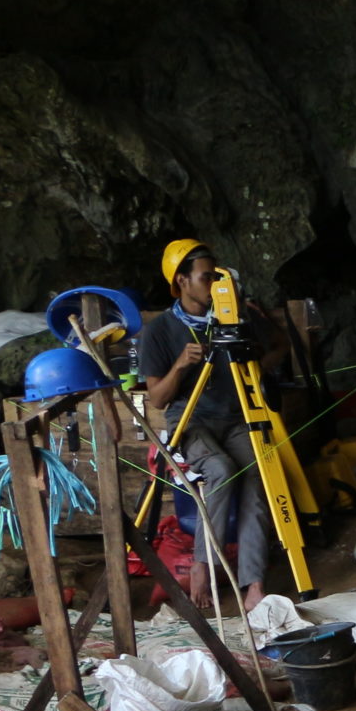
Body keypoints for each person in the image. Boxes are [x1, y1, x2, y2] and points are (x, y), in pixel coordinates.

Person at [140, 238, 273, 609]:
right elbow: (157, 398)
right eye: (206, 277)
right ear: (181, 280)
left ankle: (254, 584)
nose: (215, 283)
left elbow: (273, 351)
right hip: (191, 420)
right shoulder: (161, 330)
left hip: (237, 419)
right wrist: (181, 364)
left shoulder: (233, 316)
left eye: (218, 276)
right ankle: (203, 564)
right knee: (219, 468)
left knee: (255, 475)